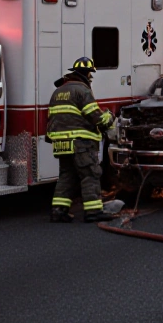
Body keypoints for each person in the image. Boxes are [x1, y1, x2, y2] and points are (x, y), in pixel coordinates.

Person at [47, 57, 116, 223]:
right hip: (80, 142)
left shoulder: (58, 91)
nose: (91, 79)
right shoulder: (82, 90)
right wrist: (109, 118)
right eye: (90, 75)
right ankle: (93, 211)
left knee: (67, 175)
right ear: (86, 74)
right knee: (90, 174)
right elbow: (95, 117)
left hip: (61, 142)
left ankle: (58, 211)